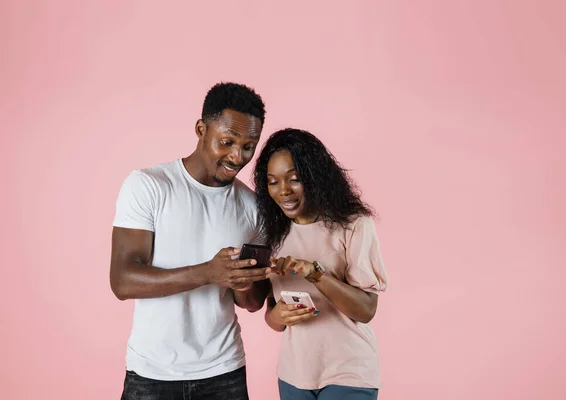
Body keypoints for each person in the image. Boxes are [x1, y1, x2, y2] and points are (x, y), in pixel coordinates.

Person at [110, 82, 272, 400]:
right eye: (227, 142)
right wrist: (207, 274)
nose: (237, 156)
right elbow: (122, 281)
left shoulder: (254, 208)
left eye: (249, 147)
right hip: (151, 374)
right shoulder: (148, 186)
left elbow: (252, 303)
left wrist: (240, 279)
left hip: (224, 372)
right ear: (201, 129)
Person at [253, 128, 389, 400]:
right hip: (294, 375)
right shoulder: (274, 234)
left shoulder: (353, 225)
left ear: (315, 177)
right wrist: (278, 316)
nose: (284, 192)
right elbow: (273, 315)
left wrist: (315, 274)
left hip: (348, 373)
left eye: (294, 179)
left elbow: (366, 310)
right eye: (273, 182)